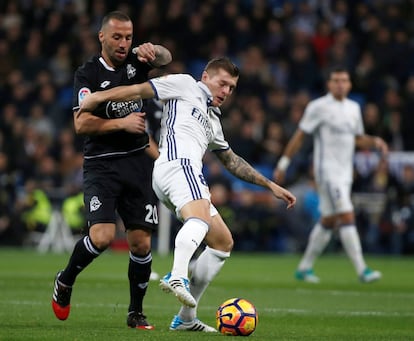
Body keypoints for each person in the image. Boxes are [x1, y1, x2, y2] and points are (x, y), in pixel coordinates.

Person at [78, 57, 296, 332]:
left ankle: (185, 318)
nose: (226, 92)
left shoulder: (212, 118)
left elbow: (231, 161)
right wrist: (97, 97)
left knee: (221, 242)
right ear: (205, 77)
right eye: (223, 83)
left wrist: (269, 185)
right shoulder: (183, 84)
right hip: (176, 166)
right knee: (200, 221)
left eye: (231, 88)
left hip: (188, 176)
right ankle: (177, 274)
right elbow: (136, 91)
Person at [51, 11, 172, 330]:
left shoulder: (136, 63)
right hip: (102, 165)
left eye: (129, 37)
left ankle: (135, 313)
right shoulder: (88, 74)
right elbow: (80, 123)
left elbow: (166, 57)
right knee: (102, 237)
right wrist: (121, 122)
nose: (123, 43)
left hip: (137, 162)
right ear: (101, 37)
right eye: (117, 37)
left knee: (141, 244)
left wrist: (154, 49)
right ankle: (65, 280)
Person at [274, 67, 388, 283]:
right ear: (329, 84)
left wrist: (374, 141)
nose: (340, 84)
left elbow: (357, 138)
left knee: (329, 220)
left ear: (350, 84)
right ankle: (362, 270)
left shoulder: (354, 108)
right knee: (346, 214)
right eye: (336, 80)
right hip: (327, 172)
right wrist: (283, 162)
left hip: (345, 173)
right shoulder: (318, 107)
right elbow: (300, 136)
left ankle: (304, 268)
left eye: (344, 80)